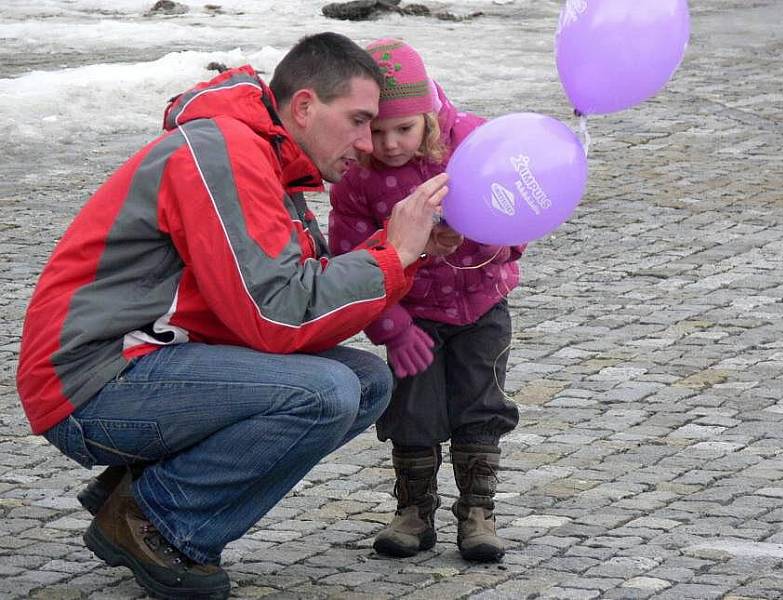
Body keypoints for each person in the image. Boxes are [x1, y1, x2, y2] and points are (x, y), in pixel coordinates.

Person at [15, 32, 455, 600]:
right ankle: (157, 522)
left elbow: (296, 294)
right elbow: (275, 316)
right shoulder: (226, 151)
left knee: (367, 381)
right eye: (359, 120)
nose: (369, 143)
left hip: (148, 358)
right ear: (304, 106)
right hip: (89, 381)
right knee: (324, 393)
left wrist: (399, 250)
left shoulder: (264, 156)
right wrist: (392, 255)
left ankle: (141, 489)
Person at [329, 38, 524, 563]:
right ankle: (414, 510)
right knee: (411, 410)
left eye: (405, 129)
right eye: (377, 130)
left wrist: (482, 237)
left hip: (481, 304)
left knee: (481, 403)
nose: (390, 144)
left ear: (431, 117)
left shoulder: (475, 146)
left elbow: (520, 213)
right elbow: (349, 257)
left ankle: (478, 511)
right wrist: (389, 324)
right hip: (412, 315)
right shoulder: (356, 177)